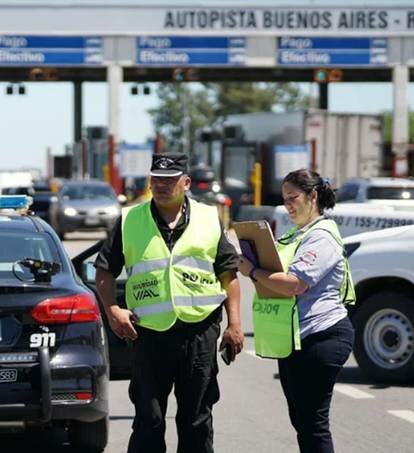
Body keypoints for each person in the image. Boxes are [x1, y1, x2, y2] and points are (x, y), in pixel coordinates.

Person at [95, 152, 243, 453]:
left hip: (199, 333)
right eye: (156, 180)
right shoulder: (129, 220)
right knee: (149, 420)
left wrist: (235, 324)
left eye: (169, 180)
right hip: (149, 335)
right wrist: (113, 312)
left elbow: (229, 273)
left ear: (186, 182)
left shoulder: (208, 218)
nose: (161, 186)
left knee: (197, 420)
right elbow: (104, 272)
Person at [237, 169, 355, 453]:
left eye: (294, 198)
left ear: (313, 196)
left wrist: (252, 270)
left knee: (313, 423)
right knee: (302, 421)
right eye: (284, 198)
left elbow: (294, 284)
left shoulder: (322, 236)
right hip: (296, 338)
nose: (288, 205)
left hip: (322, 336)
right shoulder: (296, 233)